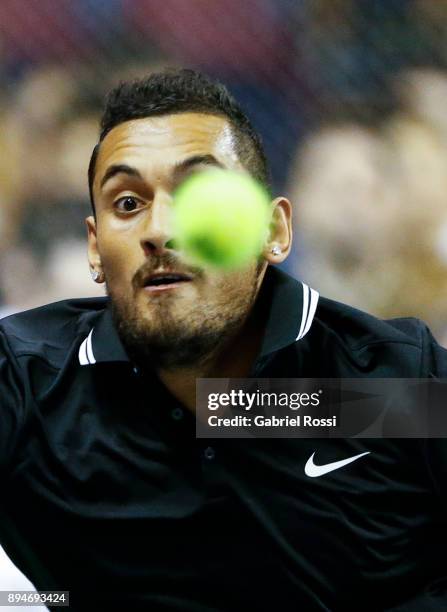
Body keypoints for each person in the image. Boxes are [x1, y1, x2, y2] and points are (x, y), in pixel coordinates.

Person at [1, 68, 447, 612]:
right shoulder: (27, 387)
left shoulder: (388, 387)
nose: (159, 230)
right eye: (126, 204)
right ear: (94, 248)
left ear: (274, 231)